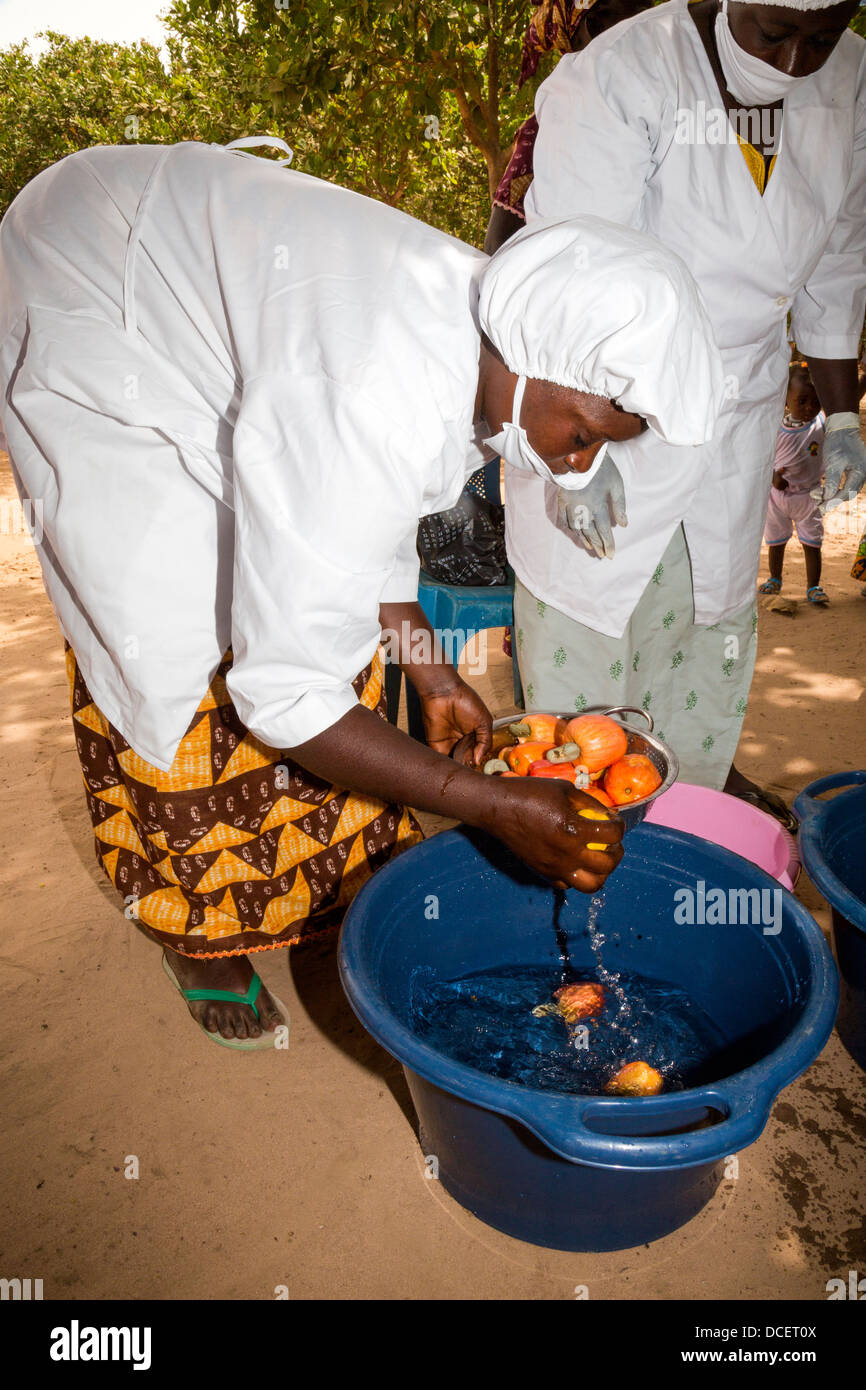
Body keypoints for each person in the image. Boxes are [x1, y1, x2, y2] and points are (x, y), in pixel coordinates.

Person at [0, 140, 725, 1047]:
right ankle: (198, 935)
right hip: (94, 287)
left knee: (315, 608)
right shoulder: (373, 384)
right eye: (580, 434)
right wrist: (491, 802)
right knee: (171, 629)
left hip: (217, 311)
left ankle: (326, 895)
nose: (578, 464)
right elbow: (285, 689)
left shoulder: (491, 348)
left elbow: (366, 524)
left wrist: (430, 673)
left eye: (599, 445)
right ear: (534, 360)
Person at [501, 0, 866, 825]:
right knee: (586, 670)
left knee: (707, 644)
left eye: (826, 34)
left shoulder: (855, 85)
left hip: (738, 410)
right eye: (776, 34)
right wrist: (575, 458)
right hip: (602, 404)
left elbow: (840, 258)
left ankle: (682, 841)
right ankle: (580, 861)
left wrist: (841, 414)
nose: (800, 60)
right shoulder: (622, 74)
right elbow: (570, 276)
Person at [485, 0, 652, 255]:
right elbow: (498, 246)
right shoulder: (543, 127)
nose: (654, 31)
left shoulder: (659, 103)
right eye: (642, 17)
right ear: (596, 27)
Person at [759, 362, 829, 603]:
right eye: (802, 401)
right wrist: (772, 477)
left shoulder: (820, 423)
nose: (810, 407)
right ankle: (775, 578)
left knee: (812, 544)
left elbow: (851, 396)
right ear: (785, 400)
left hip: (809, 497)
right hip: (777, 498)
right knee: (775, 540)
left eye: (816, 401)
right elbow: (762, 458)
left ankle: (813, 587)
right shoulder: (774, 428)